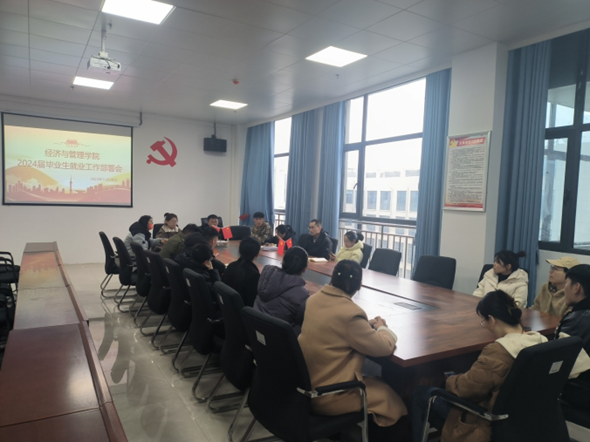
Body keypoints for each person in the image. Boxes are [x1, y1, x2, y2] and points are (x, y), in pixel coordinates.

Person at [412, 290, 548, 442]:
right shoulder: (540, 343)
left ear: (492, 319)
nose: (485, 326)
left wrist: (449, 381)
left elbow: (466, 390)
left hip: (484, 423)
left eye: (483, 321)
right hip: (522, 422)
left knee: (420, 393)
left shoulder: (498, 352)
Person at [298, 260, 407, 441]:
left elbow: (339, 326)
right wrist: (382, 328)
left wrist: (364, 325)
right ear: (359, 285)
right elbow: (384, 348)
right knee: (390, 396)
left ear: (332, 278)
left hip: (304, 387)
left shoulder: (314, 299)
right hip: (328, 395)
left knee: (375, 383)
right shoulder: (351, 314)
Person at [554, 264, 590, 409]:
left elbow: (558, 362)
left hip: (580, 391)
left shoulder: (578, 320)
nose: (564, 289)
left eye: (566, 283)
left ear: (577, 288)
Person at [254, 246, 309, 334]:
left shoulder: (266, 278)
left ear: (283, 261)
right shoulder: (302, 295)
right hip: (278, 338)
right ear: (305, 268)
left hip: (255, 331)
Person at [223, 237, 260, 307]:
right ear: (257, 254)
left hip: (227, 308)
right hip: (244, 311)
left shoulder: (230, 266)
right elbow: (253, 301)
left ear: (239, 251)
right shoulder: (254, 275)